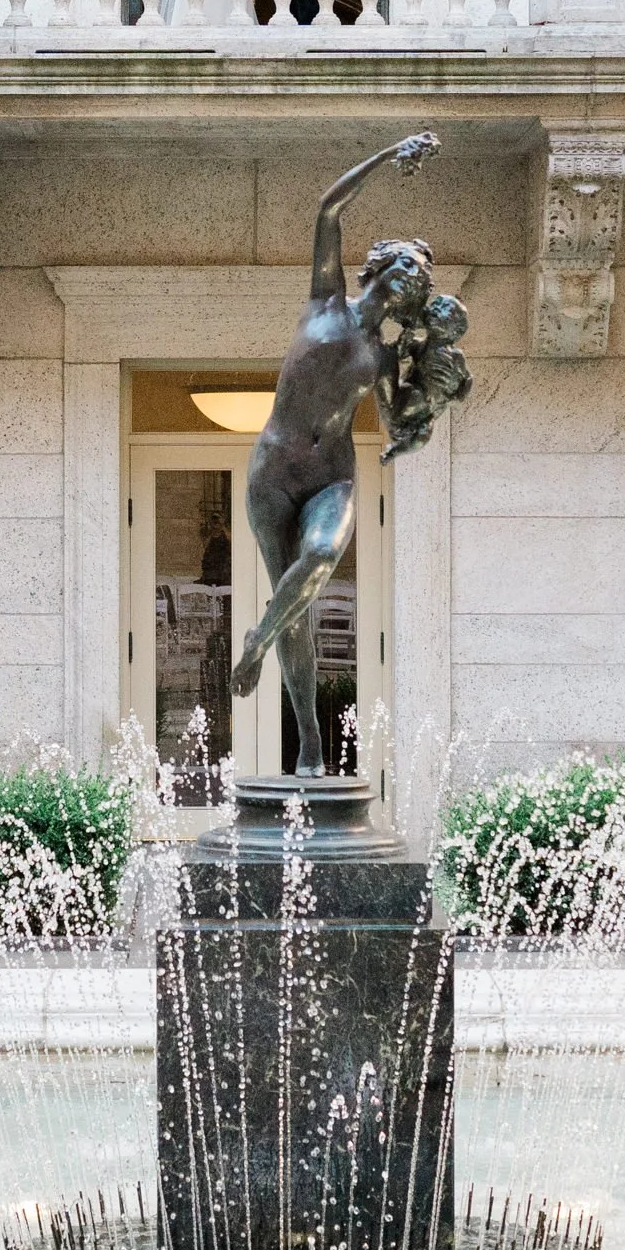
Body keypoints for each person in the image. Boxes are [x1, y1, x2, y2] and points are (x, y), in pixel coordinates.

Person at [231, 132, 472, 778]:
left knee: (316, 561)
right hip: (273, 474)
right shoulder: (325, 299)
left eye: (420, 282)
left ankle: (255, 639)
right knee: (299, 615)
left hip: (331, 475)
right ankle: (308, 743)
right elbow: (327, 208)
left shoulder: (386, 355)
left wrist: (428, 404)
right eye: (407, 270)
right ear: (380, 267)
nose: (413, 284)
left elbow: (397, 420)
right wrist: (391, 155)